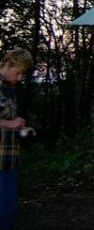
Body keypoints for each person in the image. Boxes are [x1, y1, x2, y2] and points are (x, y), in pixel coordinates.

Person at [0, 48, 33, 230]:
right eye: (18, 72)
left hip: (9, 156)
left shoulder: (9, 87)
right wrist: (10, 124)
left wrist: (19, 127)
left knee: (8, 207)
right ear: (8, 64)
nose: (19, 78)